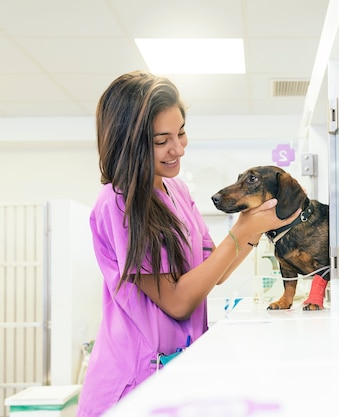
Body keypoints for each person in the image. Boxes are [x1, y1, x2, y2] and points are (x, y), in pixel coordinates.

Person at [77, 70, 300, 417]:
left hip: (177, 372)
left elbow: (214, 273)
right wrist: (241, 232)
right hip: (134, 383)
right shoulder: (118, 202)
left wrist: (257, 228)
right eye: (161, 140)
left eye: (181, 132)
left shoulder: (176, 190)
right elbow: (178, 301)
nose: (178, 148)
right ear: (129, 142)